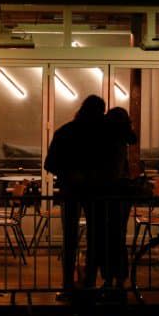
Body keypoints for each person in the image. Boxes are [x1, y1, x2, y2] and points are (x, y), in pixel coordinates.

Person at [44, 94, 106, 302]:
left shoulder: (65, 132)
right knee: (94, 238)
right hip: (94, 191)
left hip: (70, 191)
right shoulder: (100, 135)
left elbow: (50, 163)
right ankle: (89, 282)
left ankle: (68, 284)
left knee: (70, 238)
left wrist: (68, 173)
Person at [97, 106, 138, 294]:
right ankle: (119, 278)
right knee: (117, 237)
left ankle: (109, 278)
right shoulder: (122, 141)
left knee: (108, 238)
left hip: (111, 194)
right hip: (122, 195)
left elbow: (111, 171)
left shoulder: (110, 142)